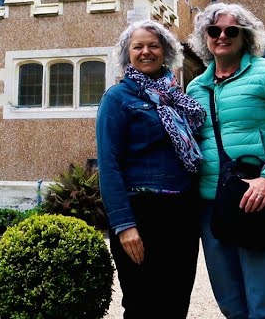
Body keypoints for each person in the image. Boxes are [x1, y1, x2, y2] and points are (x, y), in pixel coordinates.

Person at [186, 3, 265, 319]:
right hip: (213, 207)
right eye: (214, 30)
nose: (223, 36)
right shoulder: (195, 88)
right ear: (205, 37)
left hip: (263, 203)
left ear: (245, 36)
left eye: (232, 30)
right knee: (232, 305)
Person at [96, 19, 207, 318]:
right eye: (138, 46)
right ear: (127, 54)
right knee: (141, 304)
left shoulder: (178, 98)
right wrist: (124, 225)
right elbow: (108, 165)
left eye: (153, 45)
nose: (146, 52)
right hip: (141, 215)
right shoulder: (117, 98)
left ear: (166, 51)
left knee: (175, 302)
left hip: (182, 214)